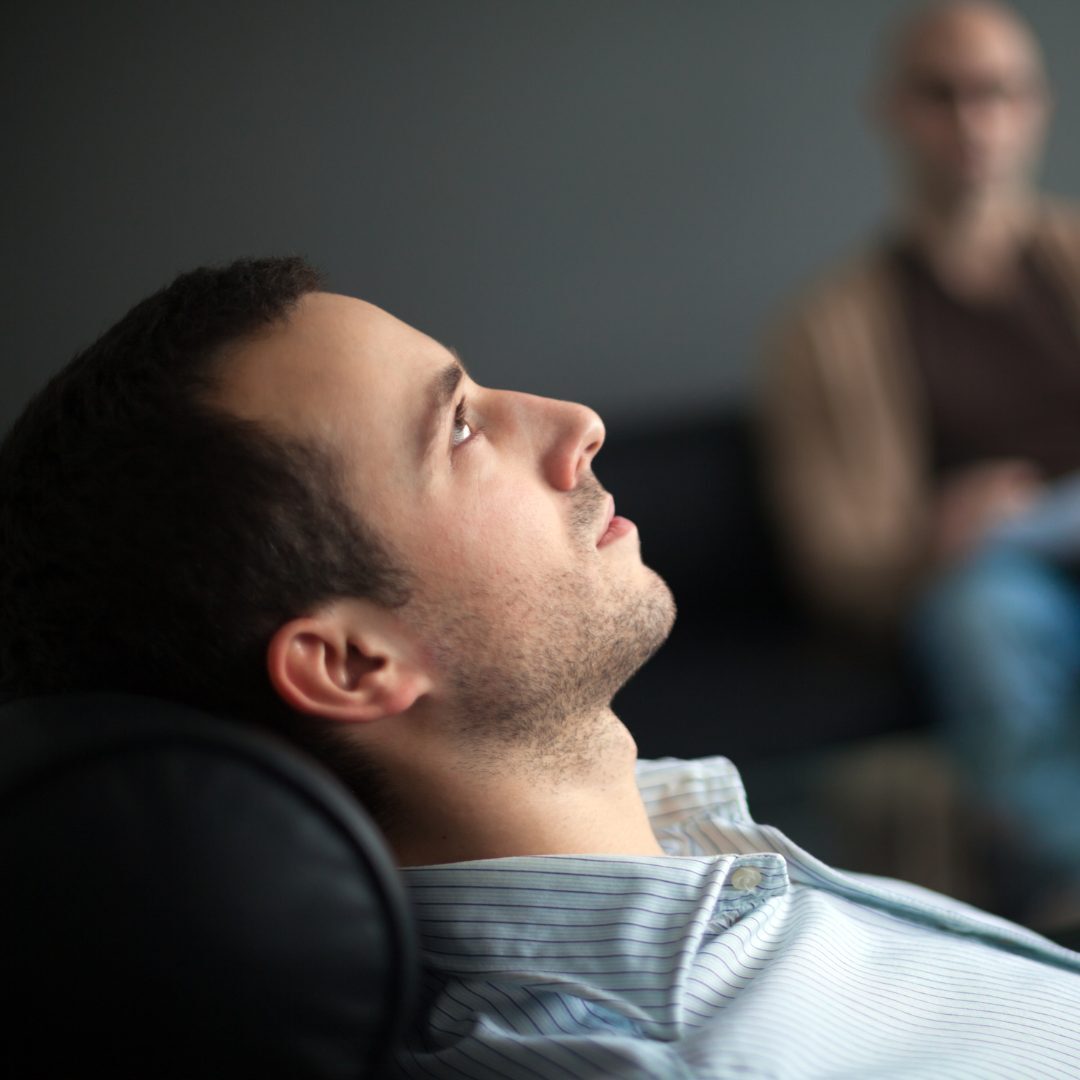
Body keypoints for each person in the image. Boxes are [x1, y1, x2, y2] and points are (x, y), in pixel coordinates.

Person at [1, 257, 1079, 1078]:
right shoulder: (650, 1053)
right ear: (351, 661)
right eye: (460, 429)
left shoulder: (692, 844)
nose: (579, 425)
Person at [760, 0, 1080, 926]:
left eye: (997, 93)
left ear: (1037, 106)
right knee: (987, 613)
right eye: (943, 96)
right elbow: (835, 563)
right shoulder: (827, 330)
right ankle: (1065, 884)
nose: (974, 121)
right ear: (895, 112)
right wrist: (936, 536)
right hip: (987, 577)